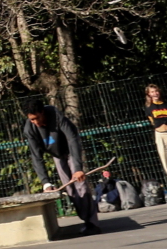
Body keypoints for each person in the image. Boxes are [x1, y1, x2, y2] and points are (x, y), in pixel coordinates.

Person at [23, 100, 100, 235]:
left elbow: (72, 139)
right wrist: (45, 182)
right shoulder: (30, 129)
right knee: (69, 188)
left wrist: (77, 168)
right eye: (32, 119)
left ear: (42, 112)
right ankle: (85, 219)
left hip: (70, 150)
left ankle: (92, 223)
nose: (35, 122)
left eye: (37, 118)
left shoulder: (55, 115)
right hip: (57, 154)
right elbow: (36, 157)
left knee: (80, 185)